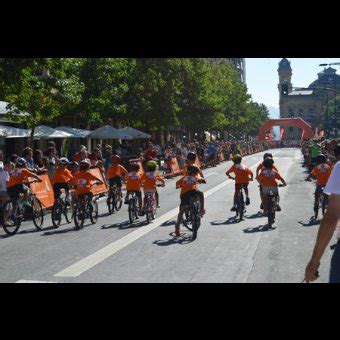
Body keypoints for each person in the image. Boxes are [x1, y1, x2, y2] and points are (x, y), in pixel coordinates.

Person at [304, 161, 340, 283]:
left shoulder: (336, 167)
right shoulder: (328, 167)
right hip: (327, 186)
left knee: (317, 195)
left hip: (322, 187)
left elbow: (331, 218)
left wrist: (314, 262)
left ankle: (316, 204)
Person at [175, 165, 205, 237]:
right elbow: (200, 179)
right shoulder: (195, 177)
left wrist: (178, 186)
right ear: (194, 172)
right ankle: (202, 209)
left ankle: (177, 228)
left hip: (184, 195)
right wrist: (202, 180)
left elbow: (177, 183)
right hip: (193, 192)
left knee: (181, 212)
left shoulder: (184, 177)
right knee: (201, 194)